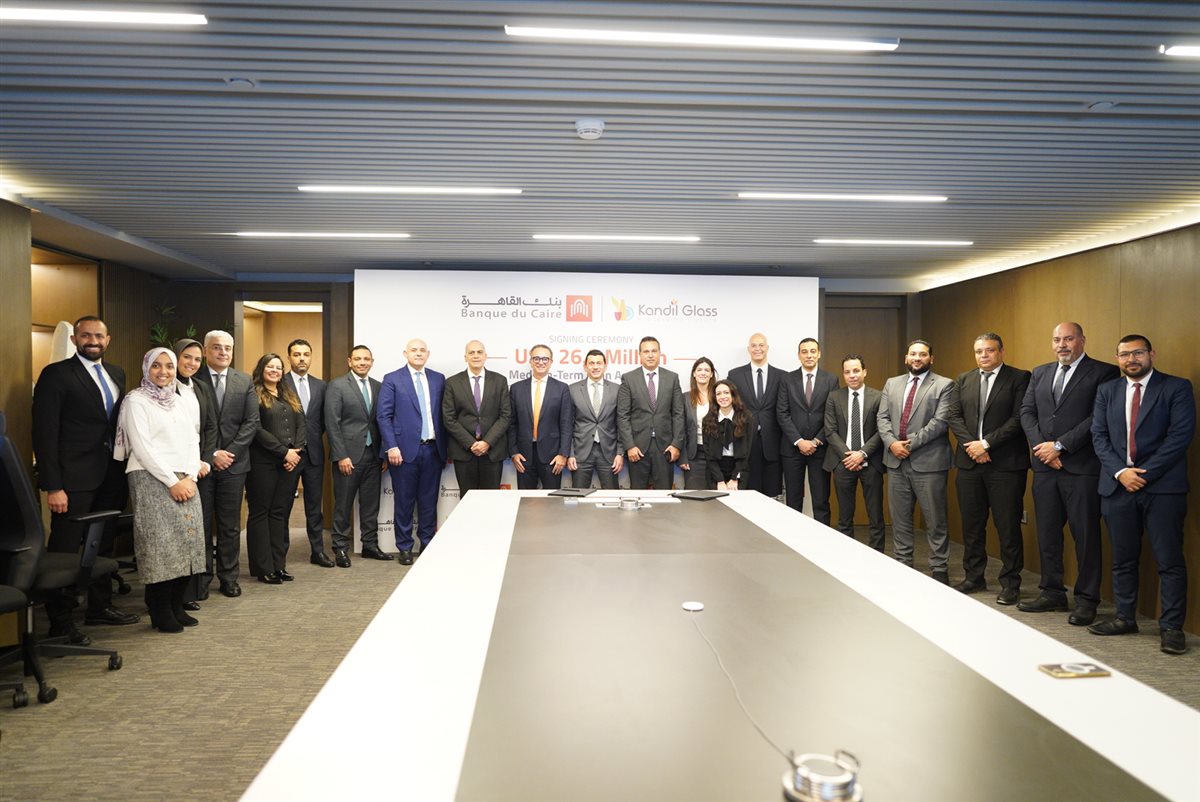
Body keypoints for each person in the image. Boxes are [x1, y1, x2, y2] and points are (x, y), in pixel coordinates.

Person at [32, 315, 139, 641]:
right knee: (65, 547)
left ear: (108, 340)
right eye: (86, 335)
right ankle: (60, 621)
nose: (93, 341)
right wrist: (53, 485)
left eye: (99, 336)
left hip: (110, 475)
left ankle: (99, 606)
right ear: (75, 339)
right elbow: (44, 433)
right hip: (72, 480)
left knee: (102, 543)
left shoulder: (116, 373)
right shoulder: (56, 374)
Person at [1089, 336, 1195, 655]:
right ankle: (1125, 618)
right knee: (1122, 559)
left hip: (1162, 489)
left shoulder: (1176, 387)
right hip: (1117, 487)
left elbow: (1180, 436)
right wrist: (1121, 472)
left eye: (1137, 353)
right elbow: (1099, 435)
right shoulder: (1107, 390)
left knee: (1169, 560)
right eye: (1124, 354)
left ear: (1151, 354)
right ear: (1117, 359)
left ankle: (1171, 627)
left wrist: (1143, 474)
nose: (1131, 359)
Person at [1018, 322, 1119, 625]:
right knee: (1048, 533)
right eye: (1057, 339)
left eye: (1068, 339)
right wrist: (1043, 449)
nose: (1062, 345)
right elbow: (1027, 412)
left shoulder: (1104, 373)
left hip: (1081, 468)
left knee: (1085, 537)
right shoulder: (1040, 372)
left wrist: (1060, 446)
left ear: (1082, 340)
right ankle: (1052, 592)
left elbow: (1098, 417)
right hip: (1044, 467)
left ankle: (1087, 600)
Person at [112, 348, 206, 633]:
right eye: (156, 366)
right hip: (150, 477)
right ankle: (159, 609)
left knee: (187, 543)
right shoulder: (136, 400)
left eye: (169, 366)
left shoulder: (179, 401)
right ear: (146, 368)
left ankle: (177, 604)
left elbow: (193, 440)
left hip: (186, 478)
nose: (163, 372)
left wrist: (190, 476)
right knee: (160, 546)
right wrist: (172, 481)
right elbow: (142, 446)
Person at [948, 334, 1031, 605]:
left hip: (1006, 465)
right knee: (972, 525)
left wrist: (986, 444)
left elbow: (1019, 418)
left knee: (1007, 526)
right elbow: (954, 416)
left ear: (1001, 351)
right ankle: (974, 577)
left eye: (989, 350)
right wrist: (972, 446)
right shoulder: (963, 379)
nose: (983, 355)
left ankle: (1010, 583)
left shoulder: (1019, 378)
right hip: (969, 464)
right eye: (978, 351)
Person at [877, 339, 957, 584]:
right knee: (900, 519)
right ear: (906, 358)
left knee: (935, 519)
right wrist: (892, 443)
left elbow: (939, 423)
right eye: (913, 354)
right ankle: (903, 563)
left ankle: (939, 567)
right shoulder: (892, 383)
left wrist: (908, 445)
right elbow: (882, 418)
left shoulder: (944, 385)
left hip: (929, 462)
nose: (917, 358)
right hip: (896, 461)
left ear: (931, 359)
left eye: (922, 354)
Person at [194, 330, 259, 598]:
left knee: (230, 525)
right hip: (201, 464)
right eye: (217, 347)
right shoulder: (192, 378)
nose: (223, 352)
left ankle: (229, 577)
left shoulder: (244, 380)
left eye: (228, 348)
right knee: (202, 524)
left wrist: (228, 453)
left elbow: (251, 422)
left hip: (234, 464)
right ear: (206, 351)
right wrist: (211, 455)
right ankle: (201, 579)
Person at [379, 339, 446, 565]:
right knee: (404, 502)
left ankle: (427, 543)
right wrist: (391, 446)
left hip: (433, 449)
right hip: (403, 451)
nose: (418, 353)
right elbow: (384, 416)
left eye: (422, 350)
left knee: (428, 502)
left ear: (428, 354)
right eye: (414, 350)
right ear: (405, 353)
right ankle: (405, 547)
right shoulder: (392, 379)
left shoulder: (438, 379)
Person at [245, 353, 306, 584]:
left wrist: (295, 451)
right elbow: (256, 428)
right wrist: (283, 452)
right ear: (261, 369)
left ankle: (278, 565)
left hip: (289, 463)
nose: (274, 371)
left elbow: (301, 422)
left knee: (279, 513)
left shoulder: (288, 393)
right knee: (261, 512)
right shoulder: (253, 394)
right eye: (270, 367)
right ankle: (263, 568)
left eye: (278, 368)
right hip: (263, 462)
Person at [328, 345, 391, 566]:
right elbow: (332, 423)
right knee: (343, 505)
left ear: (372, 362)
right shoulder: (337, 386)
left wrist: (383, 453)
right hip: (348, 457)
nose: (362, 362)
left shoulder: (378, 386)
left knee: (371, 505)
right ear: (349, 361)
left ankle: (370, 546)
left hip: (373, 455)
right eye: (357, 359)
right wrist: (341, 455)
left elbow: (382, 421)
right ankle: (340, 548)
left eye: (366, 359)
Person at [173, 338, 219, 608]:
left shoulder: (200, 387)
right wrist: (189, 466)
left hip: (200, 469)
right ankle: (175, 595)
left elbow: (210, 426)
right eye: (186, 357)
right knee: (179, 532)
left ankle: (193, 591)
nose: (191, 363)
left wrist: (205, 461)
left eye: (197, 359)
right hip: (176, 473)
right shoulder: (163, 387)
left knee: (197, 530)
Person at [822, 355, 885, 551]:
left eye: (856, 370)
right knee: (844, 515)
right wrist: (849, 455)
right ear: (843, 374)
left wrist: (862, 453)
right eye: (847, 372)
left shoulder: (879, 397)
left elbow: (882, 430)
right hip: (843, 463)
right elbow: (830, 430)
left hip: (871, 462)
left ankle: (877, 555)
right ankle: (846, 554)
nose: (852, 375)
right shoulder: (834, 397)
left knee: (875, 514)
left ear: (864, 372)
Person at [777, 337, 837, 522]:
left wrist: (816, 441)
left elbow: (833, 415)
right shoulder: (787, 379)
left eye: (812, 351)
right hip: (792, 448)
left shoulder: (831, 379)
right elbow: (782, 413)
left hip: (820, 449)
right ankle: (793, 537)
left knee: (821, 500)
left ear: (819, 354)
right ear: (798, 355)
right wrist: (799, 441)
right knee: (793, 500)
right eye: (804, 352)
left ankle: (823, 537)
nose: (809, 355)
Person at [442, 340, 511, 495]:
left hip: (492, 451)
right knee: (467, 499)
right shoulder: (452, 382)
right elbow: (449, 418)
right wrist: (472, 443)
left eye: (479, 352)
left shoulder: (500, 381)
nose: (475, 356)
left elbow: (505, 415)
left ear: (485, 356)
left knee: (490, 499)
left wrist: (487, 442)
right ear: (465, 357)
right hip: (464, 451)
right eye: (471, 352)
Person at [616, 336, 685, 489]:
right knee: (638, 495)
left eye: (654, 351)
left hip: (665, 447)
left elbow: (678, 414)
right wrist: (629, 446)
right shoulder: (628, 379)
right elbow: (622, 416)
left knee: (664, 496)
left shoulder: (672, 378)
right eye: (646, 351)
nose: (650, 355)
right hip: (637, 448)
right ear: (639, 355)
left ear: (660, 353)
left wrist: (676, 444)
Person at [284, 339, 328, 567]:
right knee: (283, 507)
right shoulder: (279, 383)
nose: (302, 358)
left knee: (314, 507)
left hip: (314, 455)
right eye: (297, 354)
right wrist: (286, 449)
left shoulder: (321, 386)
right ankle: (279, 555)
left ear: (311, 357)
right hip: (288, 456)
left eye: (306, 354)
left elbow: (323, 421)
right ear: (289, 357)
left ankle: (317, 552)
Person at [508, 344, 573, 490]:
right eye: (536, 358)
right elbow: (512, 424)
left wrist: (563, 454)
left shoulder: (562, 388)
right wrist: (514, 452)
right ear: (530, 361)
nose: (540, 362)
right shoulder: (516, 388)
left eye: (545, 359)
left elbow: (566, 424)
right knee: (525, 499)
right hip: (523, 455)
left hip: (553, 456)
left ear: (551, 362)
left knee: (552, 499)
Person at [727, 333, 783, 497]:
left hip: (773, 443)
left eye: (761, 345)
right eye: (754, 345)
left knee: (772, 495)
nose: (757, 348)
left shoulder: (782, 376)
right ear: (748, 349)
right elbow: (732, 408)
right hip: (745, 442)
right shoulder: (735, 375)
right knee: (749, 494)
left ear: (767, 348)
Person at [567, 350, 622, 489]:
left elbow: (621, 423)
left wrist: (620, 453)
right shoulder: (572, 390)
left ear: (605, 366)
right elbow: (568, 425)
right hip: (580, 453)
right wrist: (570, 453)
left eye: (599, 363)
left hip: (609, 453)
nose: (595, 367)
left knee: (611, 496)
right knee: (579, 495)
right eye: (591, 363)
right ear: (585, 366)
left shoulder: (617, 390)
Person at [702, 380, 756, 490]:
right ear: (714, 397)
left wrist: (735, 478)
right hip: (715, 471)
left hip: (739, 469)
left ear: (733, 394)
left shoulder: (746, 418)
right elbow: (708, 454)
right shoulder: (708, 420)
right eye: (718, 394)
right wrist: (719, 480)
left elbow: (747, 451)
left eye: (726, 392)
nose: (722, 397)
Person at [680, 357, 717, 490]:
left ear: (711, 374)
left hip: (716, 455)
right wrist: (683, 457)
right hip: (693, 455)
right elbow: (681, 429)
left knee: (716, 495)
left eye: (707, 370)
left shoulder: (719, 396)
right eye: (699, 370)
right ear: (694, 374)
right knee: (694, 494)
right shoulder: (685, 398)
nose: (703, 373)